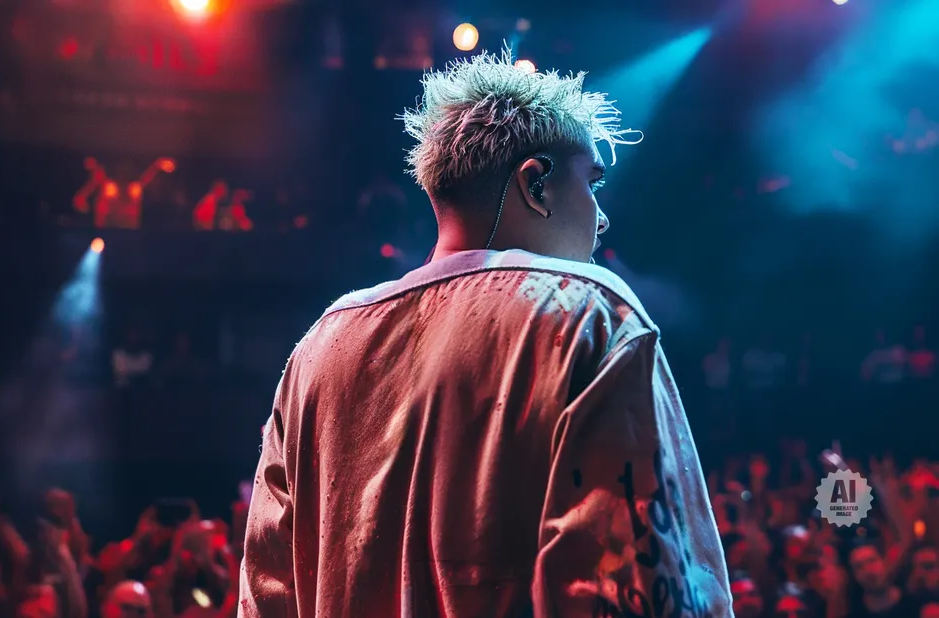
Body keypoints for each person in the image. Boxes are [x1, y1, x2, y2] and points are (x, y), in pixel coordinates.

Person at [240, 48, 731, 618]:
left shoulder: (321, 346)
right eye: (591, 183)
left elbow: (265, 594)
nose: (601, 216)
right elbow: (638, 590)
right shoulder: (587, 315)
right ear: (536, 183)